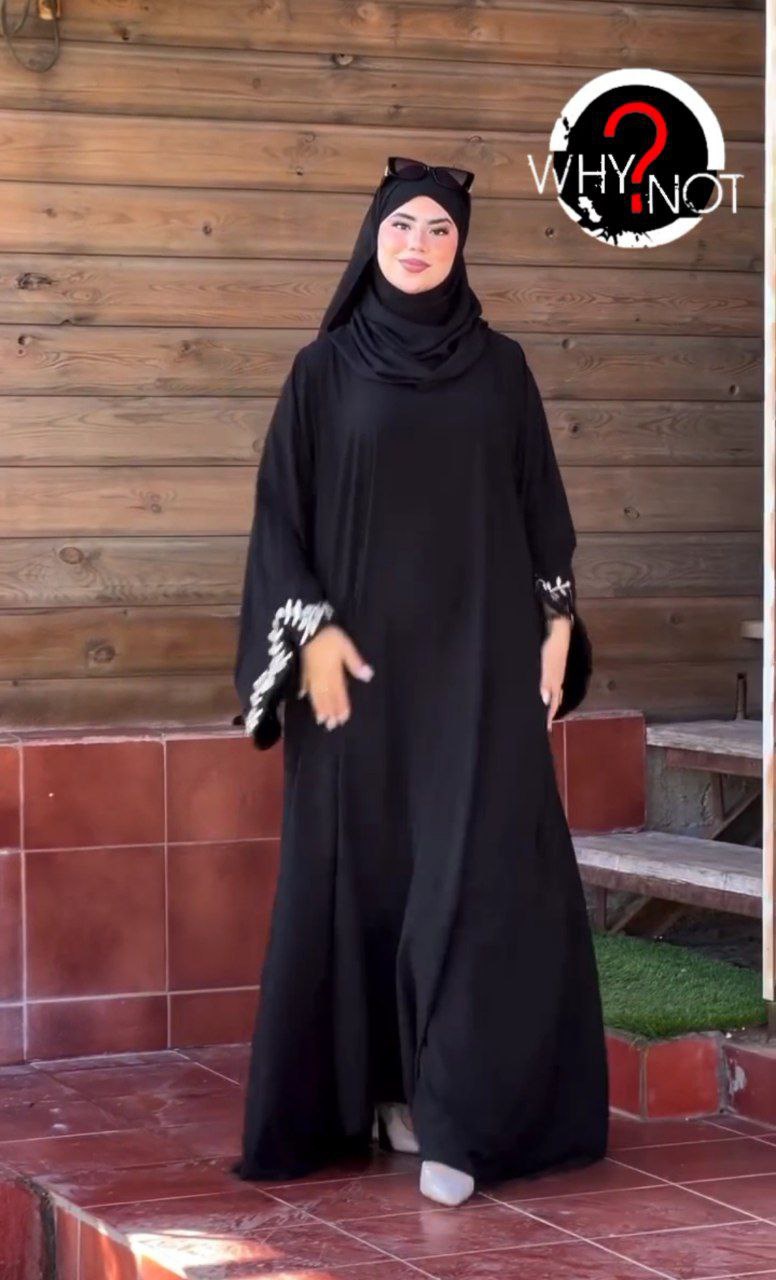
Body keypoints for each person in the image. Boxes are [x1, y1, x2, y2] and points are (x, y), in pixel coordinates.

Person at [231, 156, 609, 1206]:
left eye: (440, 230)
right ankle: (384, 1097)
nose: (419, 244)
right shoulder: (324, 370)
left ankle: (460, 1118)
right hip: (355, 677)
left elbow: (539, 501)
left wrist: (556, 622)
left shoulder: (501, 368)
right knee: (366, 878)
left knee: (477, 878)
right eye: (402, 226)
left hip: (480, 667)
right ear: (373, 238)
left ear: (460, 249)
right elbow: (280, 517)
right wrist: (307, 634)